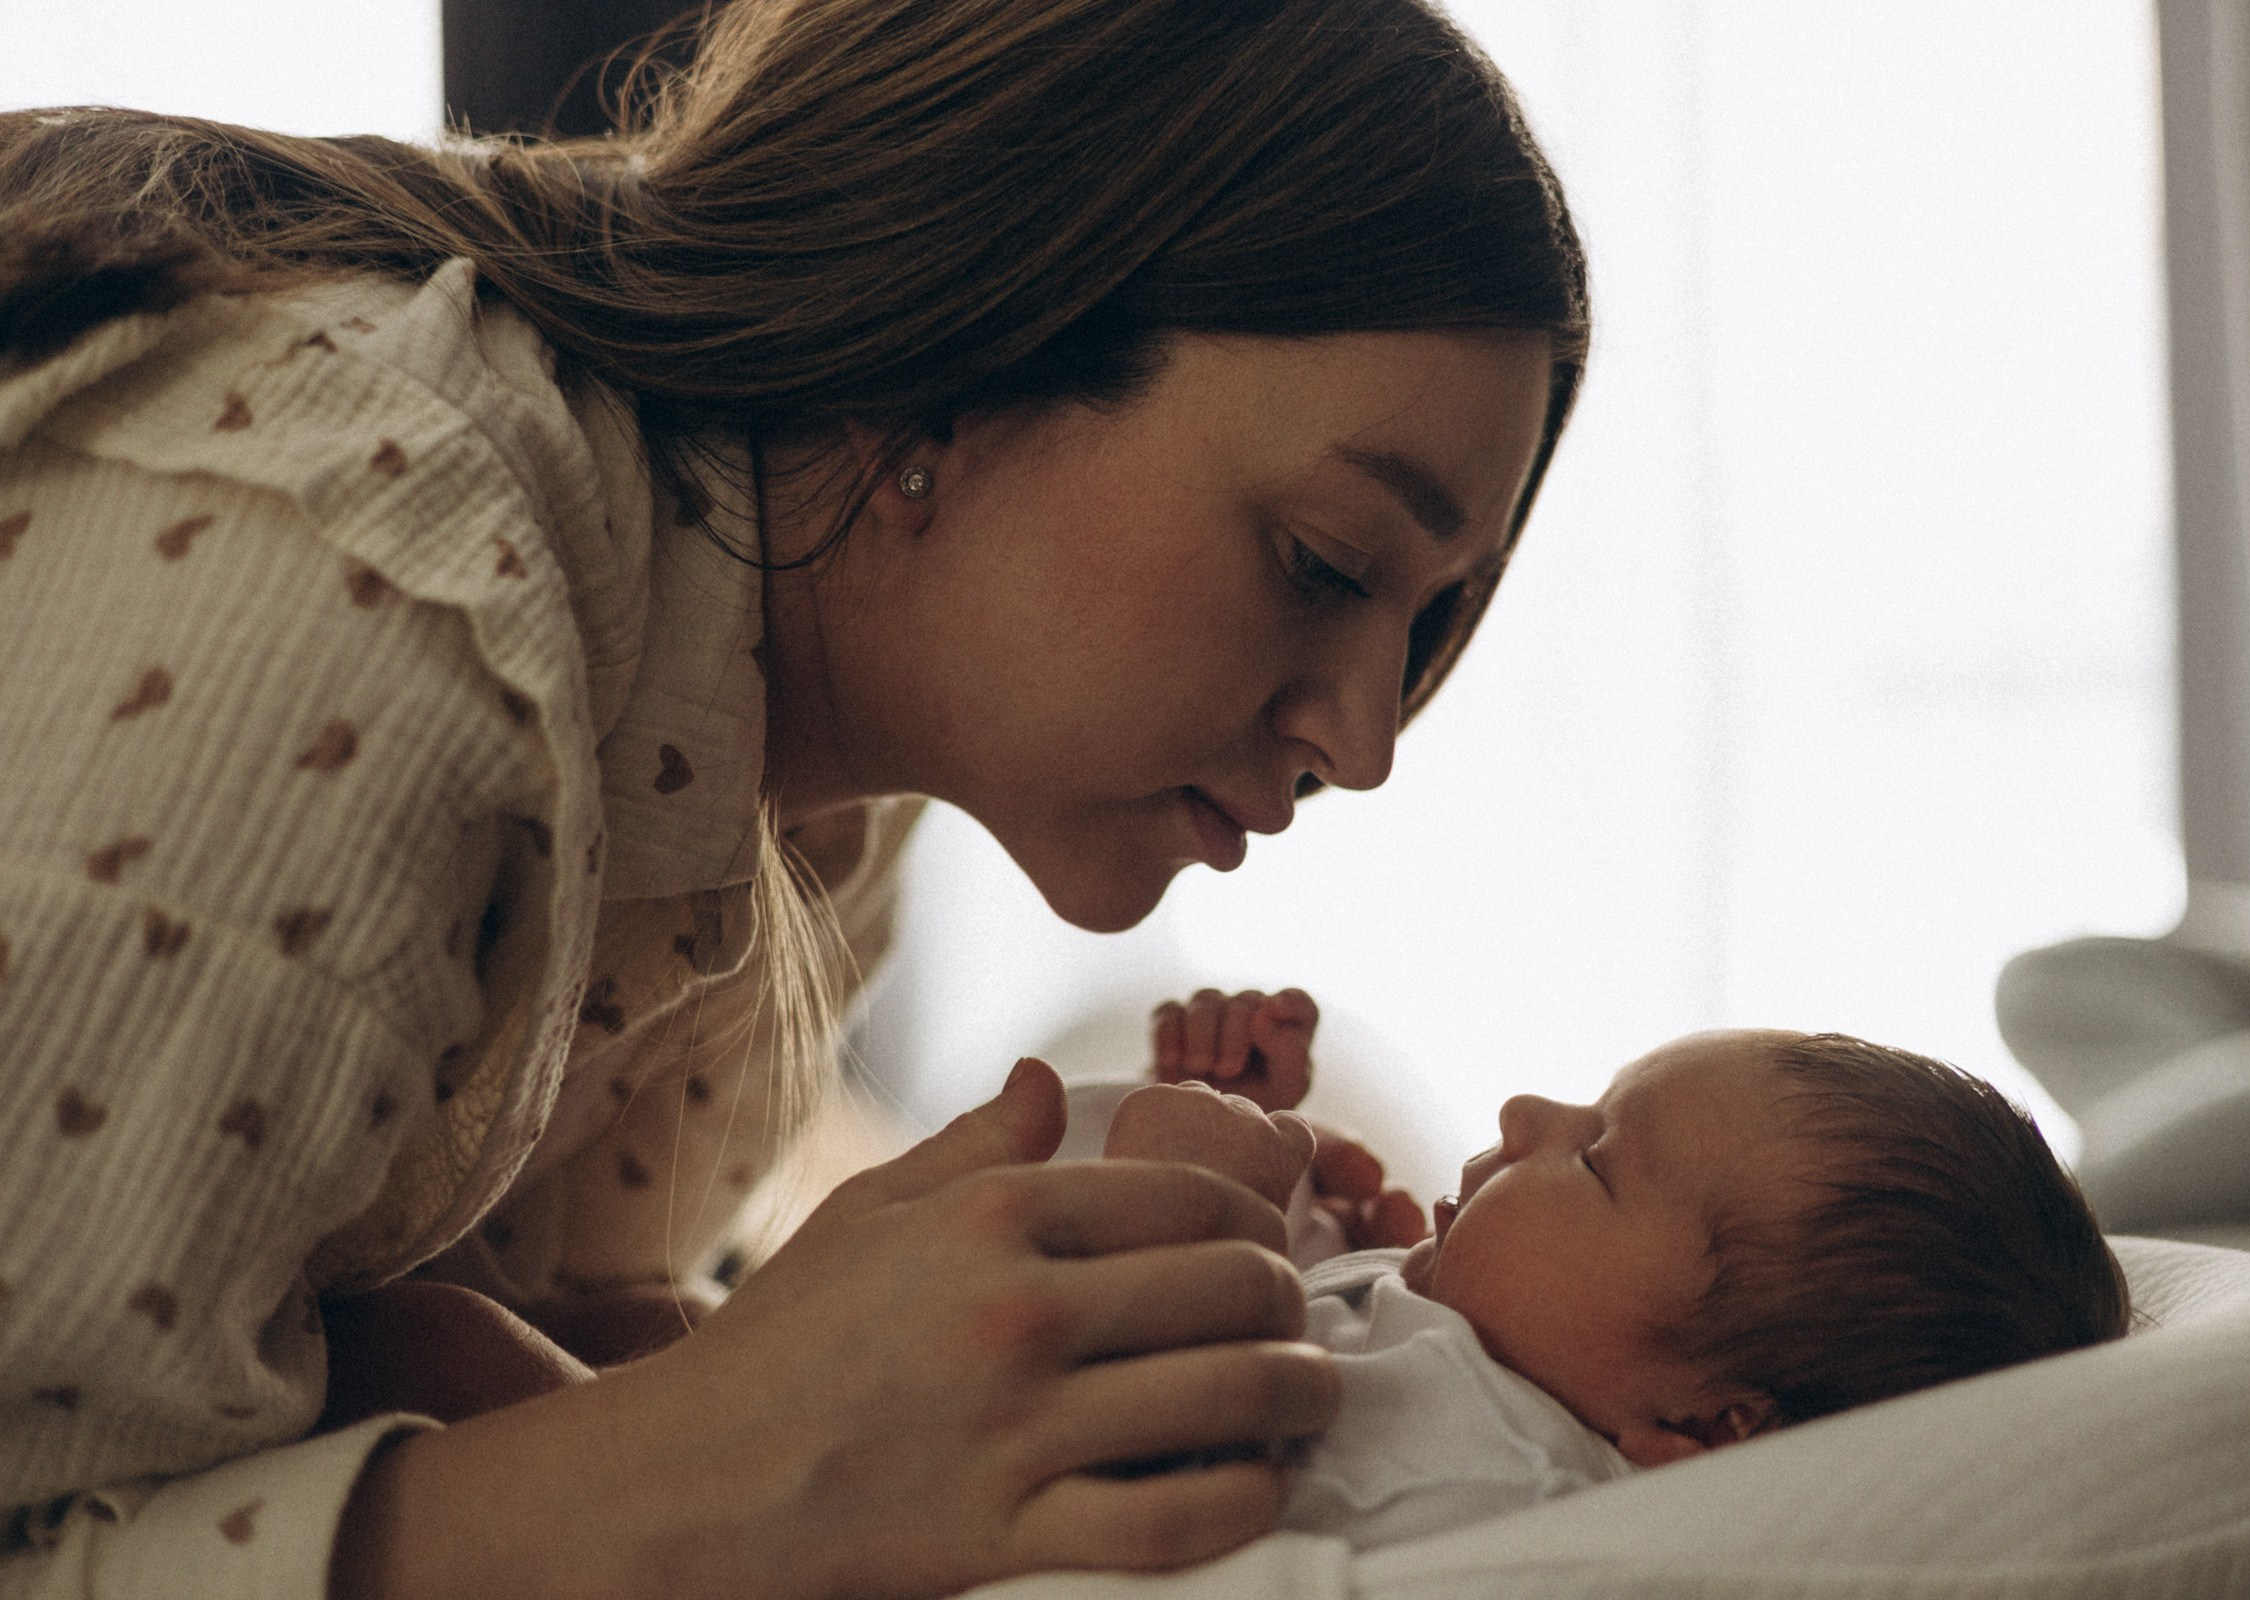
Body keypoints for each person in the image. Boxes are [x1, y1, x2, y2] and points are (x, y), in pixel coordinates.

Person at [0, 0, 1588, 1593]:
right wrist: (709, 1466)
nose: (1370, 738)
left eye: (1433, 618)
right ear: (974, 336)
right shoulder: (377, 586)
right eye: (1326, 560)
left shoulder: (819, 793)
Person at [1108, 996, 2133, 1549]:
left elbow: (1150, 1477)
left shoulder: (1485, 1470)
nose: (1522, 1114)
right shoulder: (1475, 1359)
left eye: (1595, 1160)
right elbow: (1304, 1340)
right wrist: (1297, 1214)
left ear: (1703, 1425)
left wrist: (1186, 1194)